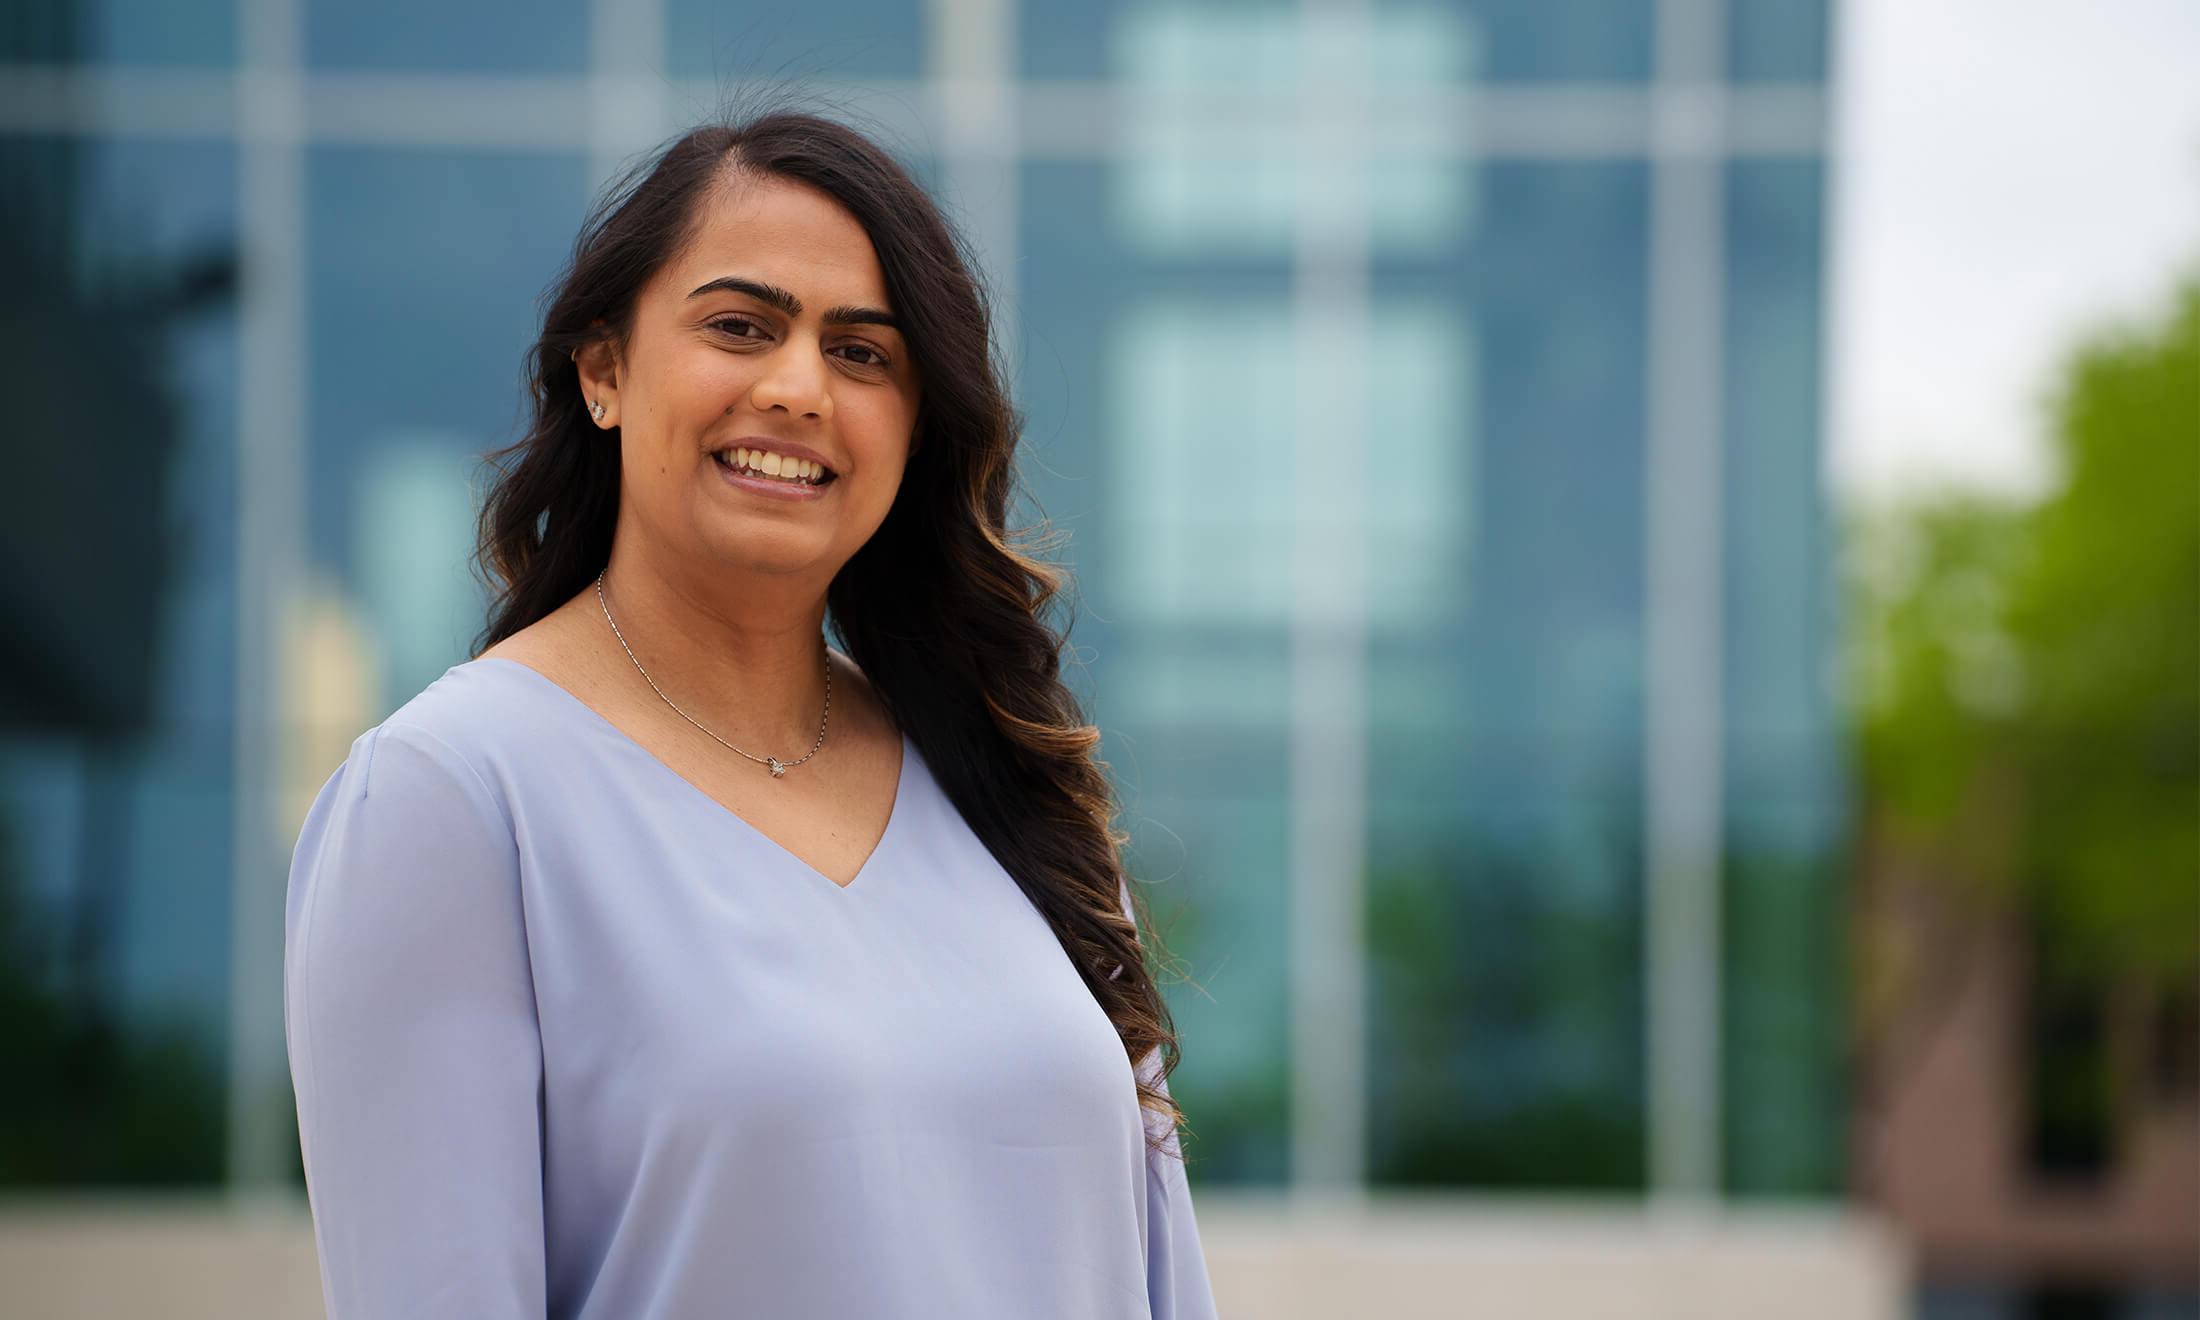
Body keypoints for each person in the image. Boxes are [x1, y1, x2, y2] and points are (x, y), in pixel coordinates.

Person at [282, 107, 1219, 1319]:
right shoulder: (453, 796)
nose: (798, 389)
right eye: (740, 326)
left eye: (865, 353)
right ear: (605, 369)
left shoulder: (1006, 780)